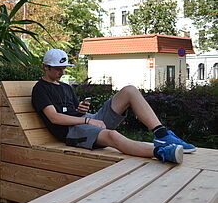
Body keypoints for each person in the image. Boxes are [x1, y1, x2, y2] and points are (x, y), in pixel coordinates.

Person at [31, 49, 196, 164]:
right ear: (46, 67)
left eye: (63, 68)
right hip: (71, 132)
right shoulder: (40, 89)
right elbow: (54, 117)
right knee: (113, 136)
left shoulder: (65, 87)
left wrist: (82, 109)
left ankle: (162, 134)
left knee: (129, 91)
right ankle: (161, 152)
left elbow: (75, 111)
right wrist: (88, 121)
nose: (62, 72)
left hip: (86, 121)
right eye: (58, 69)